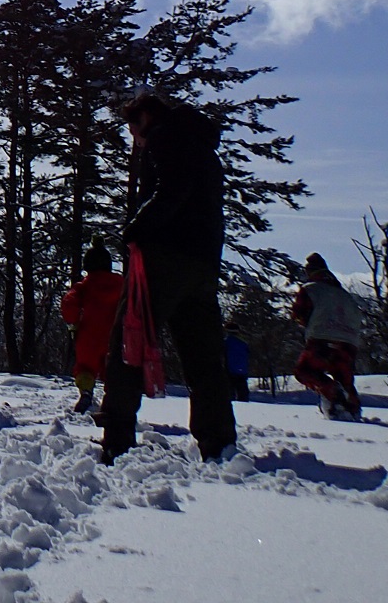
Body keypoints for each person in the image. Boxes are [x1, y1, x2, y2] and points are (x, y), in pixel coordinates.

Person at [99, 91, 237, 463]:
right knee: (204, 357)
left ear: (144, 117)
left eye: (133, 128)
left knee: (129, 339)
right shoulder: (204, 148)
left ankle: (117, 435)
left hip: (165, 259)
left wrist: (136, 228)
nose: (135, 139)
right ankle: (218, 439)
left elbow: (170, 190)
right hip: (203, 262)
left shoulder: (165, 137)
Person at [291, 253, 365, 419]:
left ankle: (331, 391)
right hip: (349, 342)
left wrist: (307, 322)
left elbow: (298, 314)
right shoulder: (346, 296)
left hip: (321, 338)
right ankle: (352, 408)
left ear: (309, 271)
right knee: (344, 377)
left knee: (304, 371)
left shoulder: (310, 289)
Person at [58, 239, 125, 414]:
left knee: (85, 367)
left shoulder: (84, 286)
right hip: (116, 337)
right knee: (112, 368)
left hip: (88, 336)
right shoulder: (122, 285)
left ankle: (86, 393)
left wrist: (73, 320)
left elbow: (68, 304)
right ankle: (114, 398)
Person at [224, 323, 253, 403]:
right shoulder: (243, 343)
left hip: (230, 370)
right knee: (242, 393)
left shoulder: (226, 342)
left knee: (230, 393)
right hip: (242, 370)